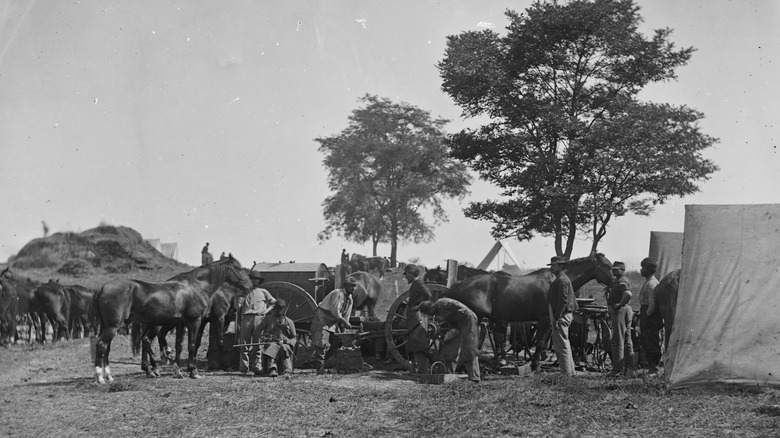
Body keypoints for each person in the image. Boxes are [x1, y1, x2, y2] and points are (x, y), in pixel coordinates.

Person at [420, 298, 481, 382]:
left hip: (468, 319)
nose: (431, 316)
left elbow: (443, 317)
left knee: (469, 349)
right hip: (457, 323)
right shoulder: (439, 307)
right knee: (450, 348)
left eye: (428, 313)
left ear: (430, 308)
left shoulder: (440, 304)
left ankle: (474, 377)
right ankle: (449, 376)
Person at [310, 277, 355, 374]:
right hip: (322, 317)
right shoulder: (338, 294)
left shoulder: (350, 299)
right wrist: (345, 322)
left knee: (337, 343)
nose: (353, 289)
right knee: (321, 344)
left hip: (332, 321)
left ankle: (319, 362)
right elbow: (335, 311)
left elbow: (346, 316)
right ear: (346, 286)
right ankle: (320, 369)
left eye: (354, 287)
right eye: (351, 286)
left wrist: (344, 331)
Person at [236, 271, 276, 375]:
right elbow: (237, 306)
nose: (254, 281)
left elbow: (273, 302)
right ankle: (243, 368)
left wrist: (266, 311)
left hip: (260, 319)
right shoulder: (244, 292)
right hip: (247, 319)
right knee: (244, 344)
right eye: (252, 279)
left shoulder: (263, 291)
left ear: (259, 281)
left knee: (258, 344)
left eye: (256, 279)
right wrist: (238, 298)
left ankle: (257, 367)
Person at [546, 256, 578, 376]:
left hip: (562, 315)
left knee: (561, 345)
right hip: (563, 314)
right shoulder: (561, 279)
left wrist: (557, 318)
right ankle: (570, 372)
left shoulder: (562, 280)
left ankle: (566, 374)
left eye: (553, 265)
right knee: (564, 344)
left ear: (560, 266)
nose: (551, 268)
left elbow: (563, 301)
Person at [606, 261, 635, 377]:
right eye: (613, 269)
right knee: (627, 340)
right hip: (625, 309)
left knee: (618, 339)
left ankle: (617, 369)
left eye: (616, 269)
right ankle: (630, 369)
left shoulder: (621, 280)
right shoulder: (621, 280)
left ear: (622, 270)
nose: (614, 271)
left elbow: (628, 294)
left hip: (620, 310)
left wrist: (619, 304)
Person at [255, 299, 297, 378]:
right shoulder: (268, 319)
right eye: (277, 309)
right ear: (274, 309)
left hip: (285, 344)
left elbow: (294, 338)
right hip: (271, 343)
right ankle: (272, 369)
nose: (278, 311)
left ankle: (287, 370)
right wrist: (263, 338)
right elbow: (258, 330)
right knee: (273, 346)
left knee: (285, 348)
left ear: (284, 309)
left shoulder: (289, 322)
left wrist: (289, 341)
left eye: (281, 309)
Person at [403, 264, 432, 374]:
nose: (406, 277)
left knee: (417, 341)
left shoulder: (418, 283)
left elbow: (428, 294)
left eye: (407, 274)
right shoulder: (416, 284)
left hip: (415, 316)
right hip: (413, 315)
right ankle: (419, 369)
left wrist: (419, 305)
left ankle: (423, 371)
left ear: (411, 273)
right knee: (414, 341)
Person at [638, 257, 662, 374]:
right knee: (647, 341)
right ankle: (651, 366)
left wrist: (647, 316)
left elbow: (653, 304)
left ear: (649, 270)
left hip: (650, 316)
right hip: (646, 313)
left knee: (652, 341)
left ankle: (654, 367)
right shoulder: (648, 282)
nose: (641, 270)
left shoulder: (652, 283)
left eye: (644, 268)